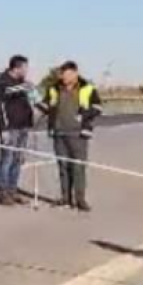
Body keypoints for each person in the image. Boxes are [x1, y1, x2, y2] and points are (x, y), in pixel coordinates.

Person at [37, 61, 104, 212]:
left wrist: (83, 115)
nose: (64, 77)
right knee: (63, 166)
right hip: (59, 133)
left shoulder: (87, 88)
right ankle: (65, 197)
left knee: (78, 167)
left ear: (75, 73)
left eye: (67, 74)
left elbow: (98, 107)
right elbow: (47, 105)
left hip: (78, 134)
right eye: (62, 74)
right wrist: (38, 107)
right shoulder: (54, 88)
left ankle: (80, 199)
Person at [0, 55, 35, 206]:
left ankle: (13, 190)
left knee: (17, 159)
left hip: (23, 126)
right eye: (25, 68)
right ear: (16, 68)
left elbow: (25, 102)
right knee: (7, 159)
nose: (27, 71)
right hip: (9, 128)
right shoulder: (1, 83)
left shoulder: (21, 83)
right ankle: (3, 193)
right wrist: (3, 129)